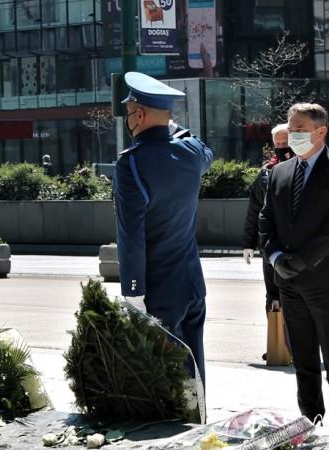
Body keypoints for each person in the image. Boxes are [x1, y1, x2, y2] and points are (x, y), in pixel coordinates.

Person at [259, 103, 329, 443]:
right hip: (288, 281)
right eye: (291, 127)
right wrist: (274, 257)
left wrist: (300, 261)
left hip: (326, 280)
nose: (293, 134)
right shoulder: (280, 172)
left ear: (321, 131)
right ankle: (310, 422)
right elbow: (265, 220)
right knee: (302, 359)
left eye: (300, 128)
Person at [114, 71, 213, 384]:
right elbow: (203, 147)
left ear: (140, 115)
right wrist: (173, 127)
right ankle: (199, 426)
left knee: (161, 379)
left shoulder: (131, 163)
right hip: (192, 284)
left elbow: (131, 235)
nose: (128, 120)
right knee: (193, 372)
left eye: (129, 113)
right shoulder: (192, 153)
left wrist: (133, 292)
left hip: (157, 290)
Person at [243, 124, 295, 315]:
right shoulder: (266, 173)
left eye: (285, 142)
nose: (281, 147)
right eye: (277, 143)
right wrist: (248, 243)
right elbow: (254, 210)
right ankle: (277, 341)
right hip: (271, 244)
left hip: (298, 244)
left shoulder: (305, 167)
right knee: (273, 295)